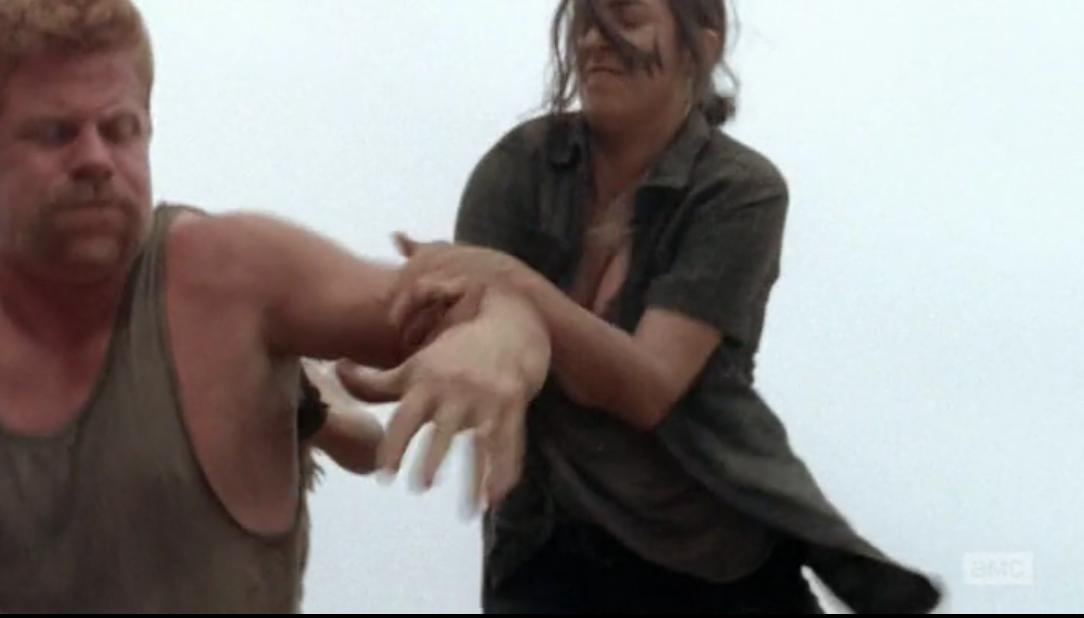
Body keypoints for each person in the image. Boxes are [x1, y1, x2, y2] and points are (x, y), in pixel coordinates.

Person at [375, 0, 943, 612]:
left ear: (704, 43)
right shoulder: (522, 167)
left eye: (627, 19)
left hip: (717, 559)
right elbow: (472, 335)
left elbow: (648, 386)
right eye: (585, 22)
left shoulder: (737, 189)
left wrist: (512, 281)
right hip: (551, 548)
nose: (594, 41)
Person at [0, 0, 549, 612]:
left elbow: (489, 309)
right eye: (56, 133)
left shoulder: (227, 280)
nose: (96, 161)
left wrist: (496, 338)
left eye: (119, 129)